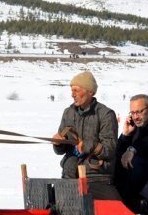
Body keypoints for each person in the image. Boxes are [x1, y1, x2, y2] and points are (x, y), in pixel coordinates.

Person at [52, 71, 121, 200]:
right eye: (72, 90)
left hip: (96, 177)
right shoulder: (68, 112)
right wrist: (58, 143)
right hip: (69, 175)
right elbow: (60, 151)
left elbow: (110, 149)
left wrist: (86, 145)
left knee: (114, 211)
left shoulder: (106, 114)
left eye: (76, 90)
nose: (72, 95)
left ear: (90, 91)